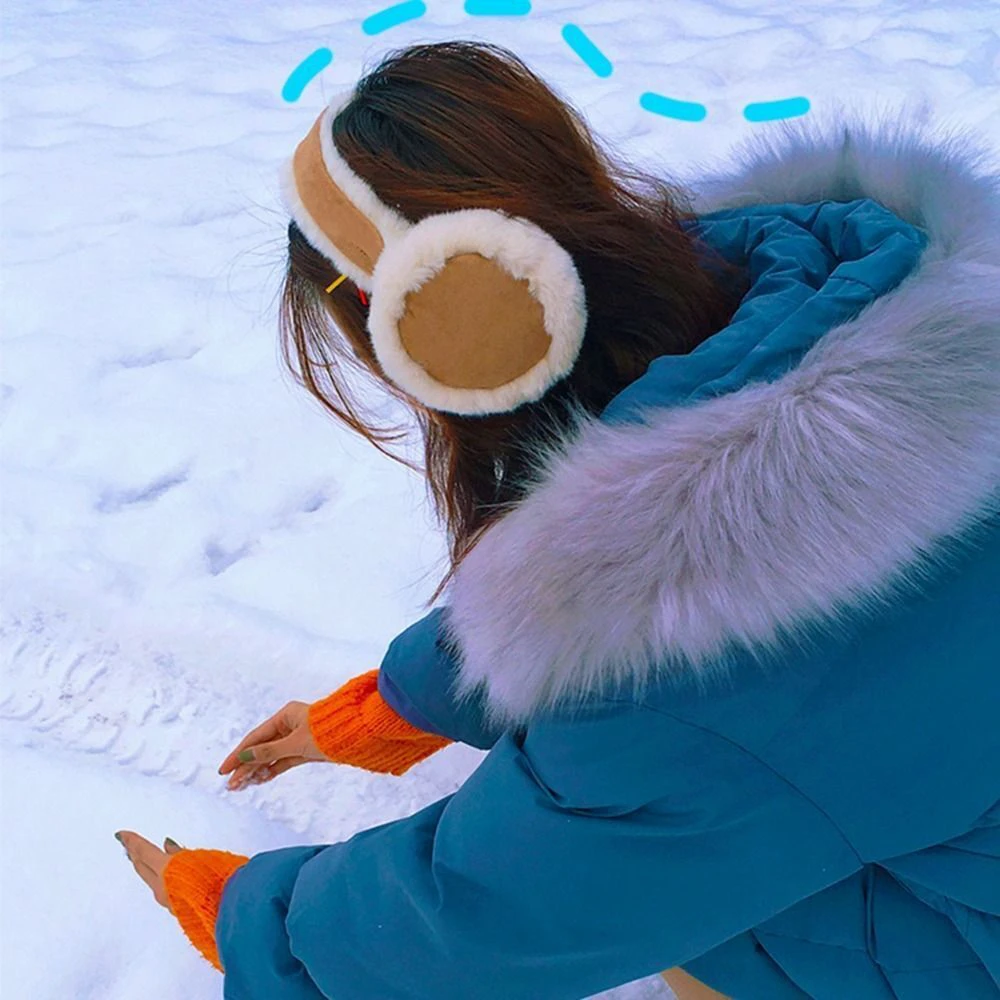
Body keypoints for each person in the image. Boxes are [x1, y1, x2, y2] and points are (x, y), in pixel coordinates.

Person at [115, 39, 1000, 1000]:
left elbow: (484, 918)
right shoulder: (837, 298)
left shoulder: (694, 685)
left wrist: (246, 918)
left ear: (433, 335)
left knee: (703, 919)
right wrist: (399, 703)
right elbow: (666, 561)